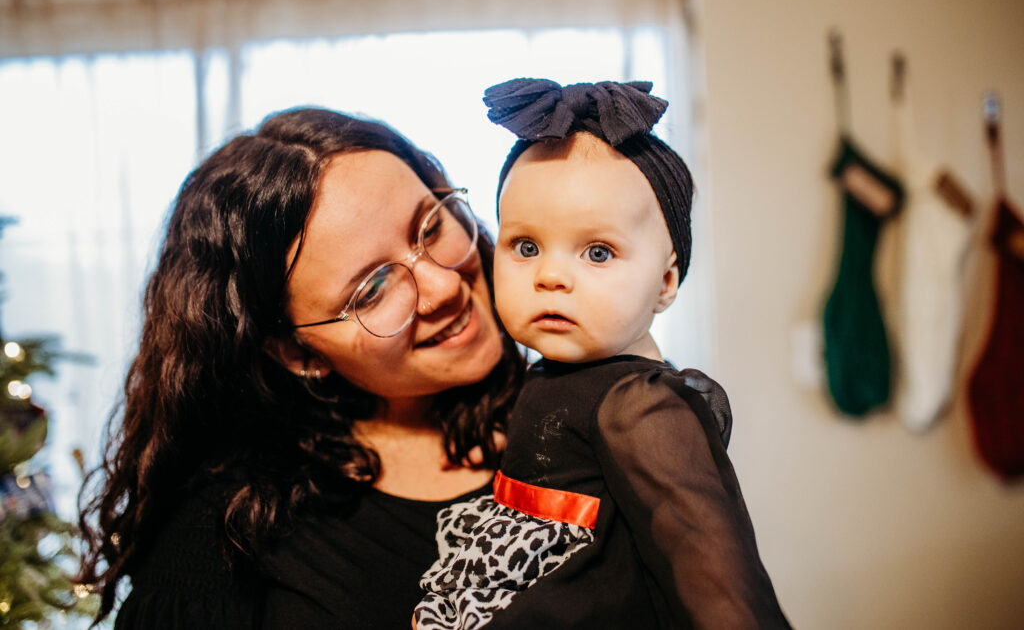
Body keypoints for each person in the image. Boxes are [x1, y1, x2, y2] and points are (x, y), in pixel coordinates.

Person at [76, 107, 525, 629]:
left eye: (429, 227)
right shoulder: (224, 536)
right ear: (299, 354)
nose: (445, 287)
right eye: (372, 290)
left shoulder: (584, 420)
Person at [414, 79, 790, 629]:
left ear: (665, 283)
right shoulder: (546, 376)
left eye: (597, 252)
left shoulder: (639, 406)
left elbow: (709, 559)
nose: (550, 276)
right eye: (525, 246)